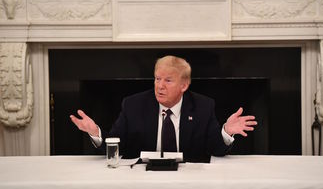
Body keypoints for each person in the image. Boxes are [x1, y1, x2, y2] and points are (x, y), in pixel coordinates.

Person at [70, 55, 257, 162]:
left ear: (184, 85)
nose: (160, 86)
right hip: (143, 182)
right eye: (157, 79)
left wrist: (226, 132)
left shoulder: (203, 106)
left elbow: (216, 149)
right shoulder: (133, 105)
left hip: (189, 182)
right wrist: (96, 133)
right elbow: (116, 146)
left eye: (168, 80)